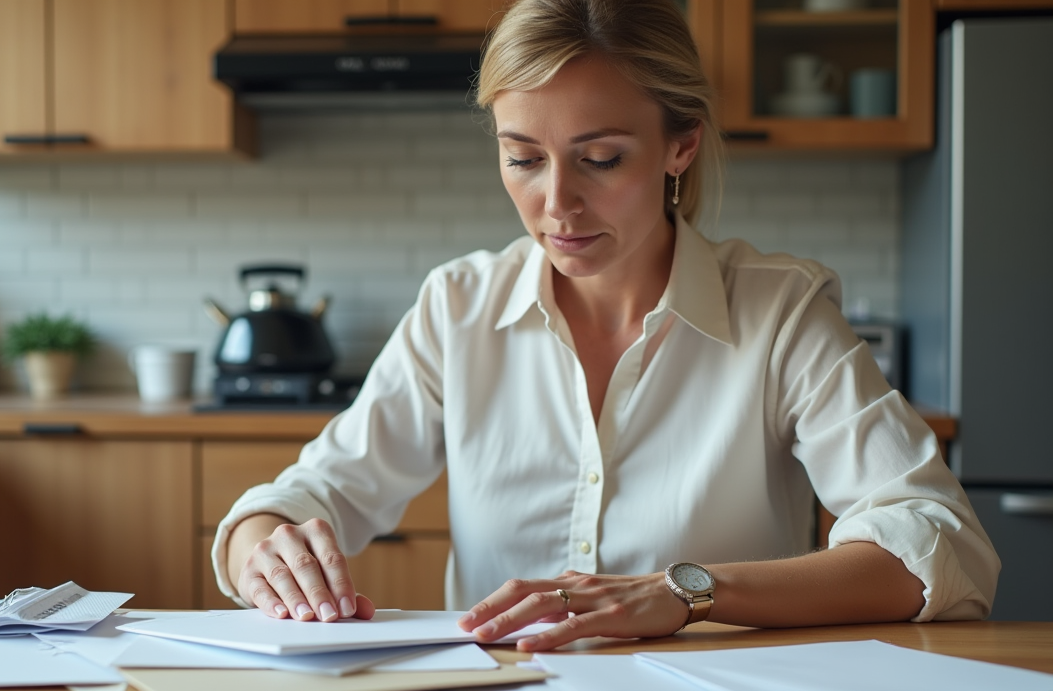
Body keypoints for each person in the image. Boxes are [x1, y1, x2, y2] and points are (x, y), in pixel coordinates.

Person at [212, 0, 999, 651]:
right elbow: (310, 496)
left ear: (679, 145)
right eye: (523, 158)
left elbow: (940, 544)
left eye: (601, 158)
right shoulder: (457, 308)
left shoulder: (779, 313)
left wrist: (689, 592)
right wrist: (266, 543)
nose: (556, 204)